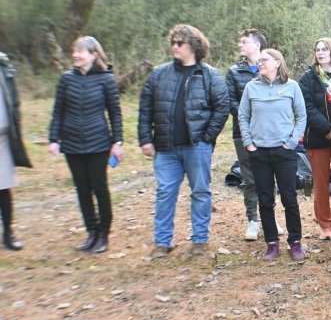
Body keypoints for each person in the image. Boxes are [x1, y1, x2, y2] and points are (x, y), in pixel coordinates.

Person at [138, 24, 229, 258]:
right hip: (166, 147)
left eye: (180, 42)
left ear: (194, 46)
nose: (175, 46)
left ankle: (200, 240)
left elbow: (222, 107)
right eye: (173, 42)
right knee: (165, 192)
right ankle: (162, 242)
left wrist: (207, 138)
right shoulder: (159, 74)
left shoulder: (210, 75)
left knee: (200, 191)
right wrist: (145, 138)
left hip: (196, 146)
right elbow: (145, 108)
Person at [48, 36, 123, 254]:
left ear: (93, 55)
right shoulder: (66, 79)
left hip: (98, 142)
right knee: (82, 189)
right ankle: (91, 232)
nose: (75, 55)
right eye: (74, 51)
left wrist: (117, 142)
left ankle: (103, 234)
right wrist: (54, 139)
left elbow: (115, 113)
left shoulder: (106, 80)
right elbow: (58, 111)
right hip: (71, 143)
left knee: (99, 188)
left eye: (80, 51)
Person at [239, 48, 307, 261]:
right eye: (259, 60)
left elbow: (301, 116)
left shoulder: (291, 86)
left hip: (284, 151)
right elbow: (243, 116)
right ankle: (271, 243)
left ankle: (295, 242)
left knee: (289, 198)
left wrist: (291, 142)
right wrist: (248, 143)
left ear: (277, 63)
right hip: (259, 152)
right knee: (265, 199)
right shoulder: (251, 87)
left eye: (265, 60)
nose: (260, 63)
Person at [299, 37, 331, 240]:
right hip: (317, 138)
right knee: (320, 185)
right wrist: (327, 128)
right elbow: (307, 107)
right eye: (318, 50)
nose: (320, 53)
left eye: (324, 49)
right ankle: (325, 226)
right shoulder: (308, 77)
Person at [225, 29, 266, 241]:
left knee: (268, 176)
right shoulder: (234, 72)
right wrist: (248, 119)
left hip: (268, 133)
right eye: (240, 42)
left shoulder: (271, 67)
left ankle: (269, 217)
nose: (241, 45)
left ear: (257, 45)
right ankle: (253, 220)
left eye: (245, 42)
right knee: (249, 177)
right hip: (242, 132)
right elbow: (230, 101)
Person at [0, 52, 32, 251]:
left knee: (3, 187)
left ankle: (8, 234)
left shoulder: (3, 66)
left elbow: (14, 101)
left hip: (3, 138)